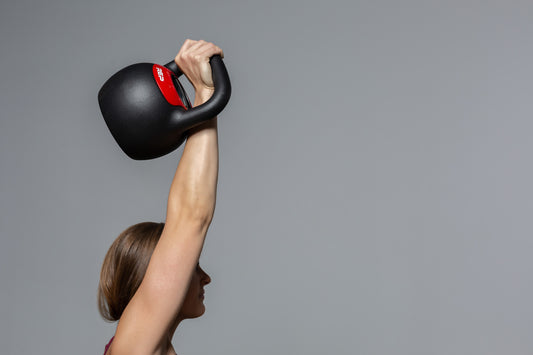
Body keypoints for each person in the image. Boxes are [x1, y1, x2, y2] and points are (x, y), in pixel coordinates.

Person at [97, 39, 224, 355]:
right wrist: (205, 97)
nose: (206, 278)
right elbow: (191, 216)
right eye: (191, 265)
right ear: (150, 279)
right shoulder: (132, 347)